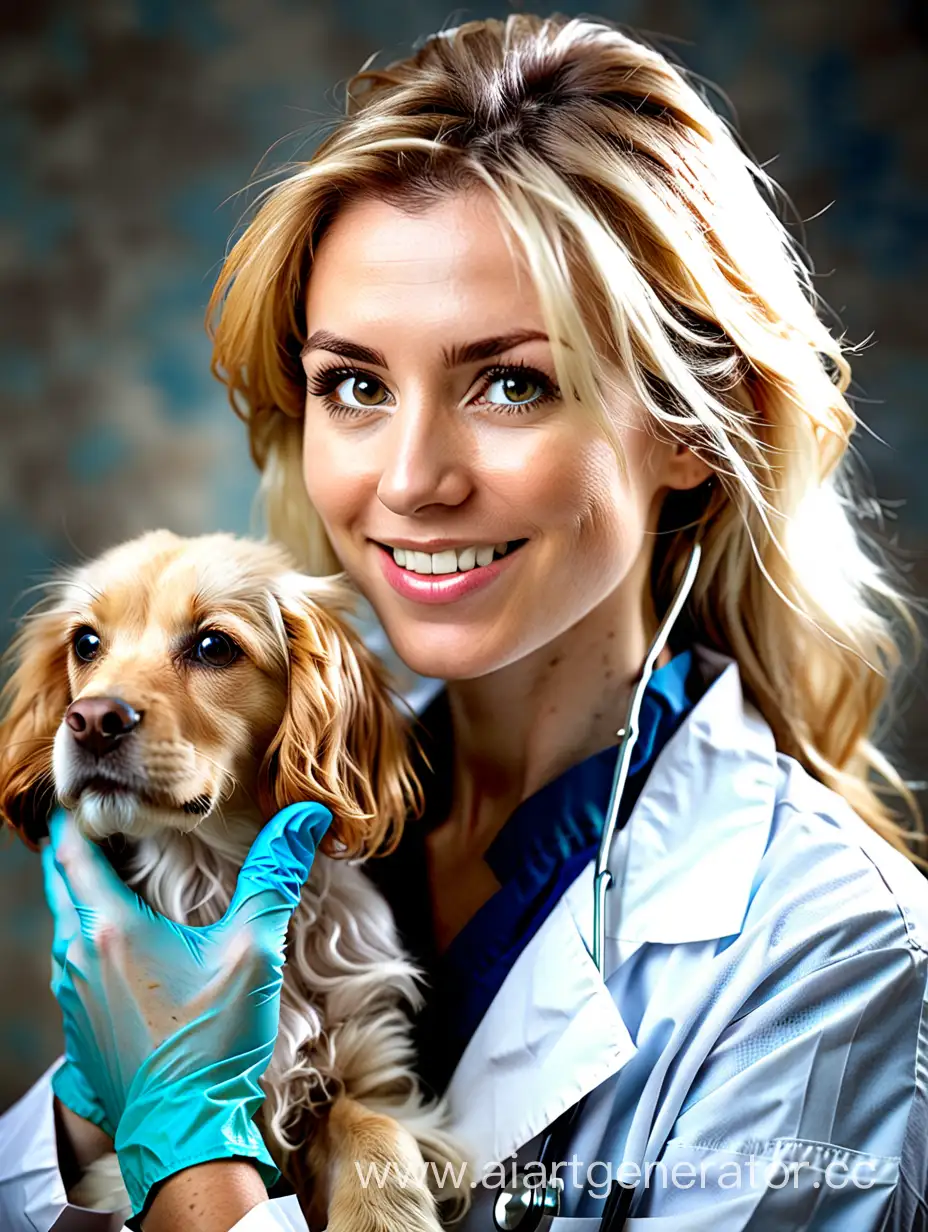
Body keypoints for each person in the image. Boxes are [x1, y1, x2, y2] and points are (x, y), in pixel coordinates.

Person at [2, 12, 928, 1231]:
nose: (410, 478)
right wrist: (87, 1115)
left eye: (511, 382)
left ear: (703, 431)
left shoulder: (832, 960)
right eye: (357, 384)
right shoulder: (285, 774)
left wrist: (195, 1160)